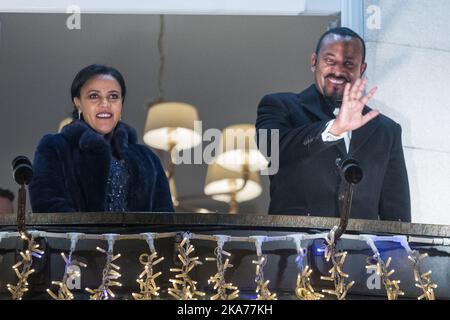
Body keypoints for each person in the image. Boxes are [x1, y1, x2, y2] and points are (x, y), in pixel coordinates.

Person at [256, 27, 411, 222]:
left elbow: (397, 214)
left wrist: (400, 250)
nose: (338, 71)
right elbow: (269, 149)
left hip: (361, 251)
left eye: (348, 63)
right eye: (330, 61)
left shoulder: (387, 130)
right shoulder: (280, 105)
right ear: (314, 62)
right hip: (296, 246)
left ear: (361, 69)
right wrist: (335, 129)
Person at [29, 64, 174, 213]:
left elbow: (166, 219)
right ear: (78, 103)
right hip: (77, 237)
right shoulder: (54, 147)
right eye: (94, 96)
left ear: (121, 103)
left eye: (113, 96)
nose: (105, 104)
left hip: (138, 238)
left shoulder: (148, 158)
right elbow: (47, 207)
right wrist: (93, 235)